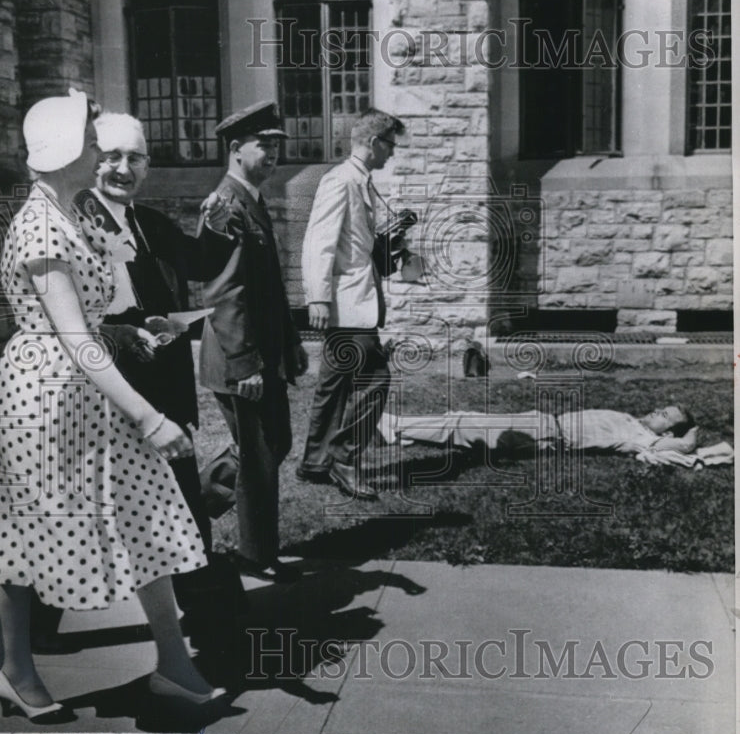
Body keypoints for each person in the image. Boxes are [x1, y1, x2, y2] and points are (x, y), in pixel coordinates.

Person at [0, 90, 225, 722]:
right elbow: (68, 339)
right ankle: (16, 670)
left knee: (150, 512)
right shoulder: (41, 224)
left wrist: (127, 331)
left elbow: (87, 325)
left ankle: (174, 664)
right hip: (46, 398)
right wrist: (149, 415)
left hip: (88, 392)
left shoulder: (69, 213)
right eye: (94, 143)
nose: (102, 154)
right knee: (27, 531)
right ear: (68, 152)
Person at [90, 113, 247, 632]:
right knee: (81, 512)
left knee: (180, 502)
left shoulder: (147, 221)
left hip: (163, 395)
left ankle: (207, 615)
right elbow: (62, 320)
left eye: (134, 158)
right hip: (102, 394)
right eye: (112, 156)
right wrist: (118, 335)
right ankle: (34, 625)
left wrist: (219, 229)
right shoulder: (71, 226)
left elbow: (197, 262)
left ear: (148, 166)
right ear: (90, 159)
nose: (122, 168)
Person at [198, 101, 308, 583]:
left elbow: (267, 289)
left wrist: (291, 344)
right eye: (265, 145)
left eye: (277, 146)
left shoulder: (250, 200)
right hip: (238, 360)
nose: (274, 155)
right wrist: (245, 366)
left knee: (269, 444)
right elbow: (225, 293)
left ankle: (192, 506)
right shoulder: (225, 206)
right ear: (236, 148)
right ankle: (255, 556)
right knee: (262, 453)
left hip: (262, 354)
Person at [297, 107, 406, 500]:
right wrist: (318, 298)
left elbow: (357, 246)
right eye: (390, 145)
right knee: (377, 380)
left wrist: (389, 249)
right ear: (374, 142)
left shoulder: (360, 181)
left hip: (355, 303)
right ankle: (343, 457)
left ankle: (314, 462)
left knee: (334, 385)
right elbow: (318, 242)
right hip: (346, 306)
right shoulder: (341, 181)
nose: (392, 153)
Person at [378, 403, 699, 456]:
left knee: (463, 426)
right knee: (467, 417)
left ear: (667, 432)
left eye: (664, 415)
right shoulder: (635, 422)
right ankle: (406, 434)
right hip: (543, 421)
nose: (656, 411)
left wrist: (690, 433)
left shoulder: (643, 439)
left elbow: (685, 447)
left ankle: (396, 426)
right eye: (661, 408)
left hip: (546, 435)